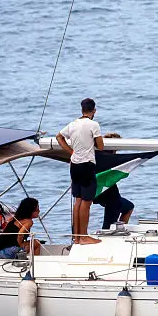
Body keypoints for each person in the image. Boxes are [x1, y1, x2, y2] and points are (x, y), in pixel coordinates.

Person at [56, 98, 104, 244]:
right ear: (93, 111)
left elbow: (59, 137)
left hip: (75, 164)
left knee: (78, 200)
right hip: (87, 165)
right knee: (87, 202)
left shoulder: (72, 124)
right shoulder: (93, 124)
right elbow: (100, 146)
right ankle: (84, 236)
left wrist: (70, 151)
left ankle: (76, 237)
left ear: (82, 110)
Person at [93, 132, 135, 230]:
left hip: (99, 192)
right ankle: (111, 235)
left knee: (128, 207)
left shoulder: (97, 156)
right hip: (108, 194)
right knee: (108, 224)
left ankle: (119, 230)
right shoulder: (109, 158)